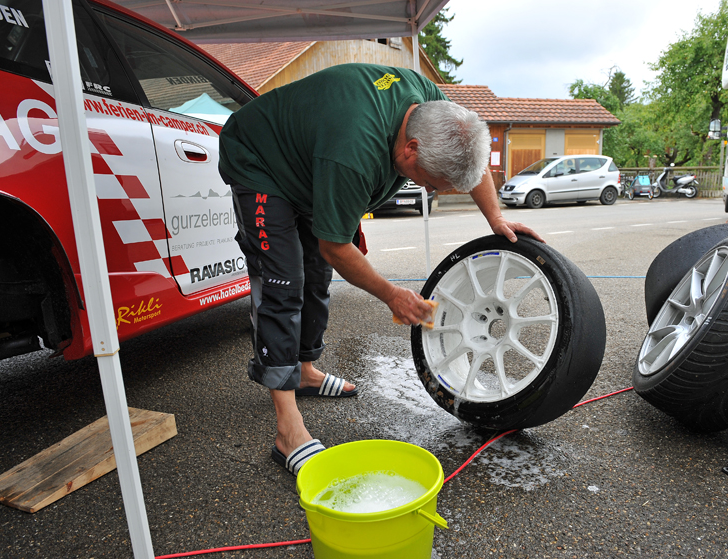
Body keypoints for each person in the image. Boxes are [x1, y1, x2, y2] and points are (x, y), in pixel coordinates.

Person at [218, 63, 543, 475]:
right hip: (260, 160)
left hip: (312, 160)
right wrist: (392, 294)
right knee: (284, 281)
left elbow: (468, 163)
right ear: (410, 149)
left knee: (316, 275)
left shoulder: (435, 108)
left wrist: (495, 217)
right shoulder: (354, 153)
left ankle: (303, 372)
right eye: (430, 181)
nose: (430, 191)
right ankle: (288, 431)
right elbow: (336, 246)